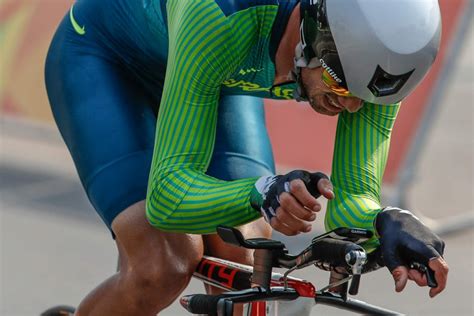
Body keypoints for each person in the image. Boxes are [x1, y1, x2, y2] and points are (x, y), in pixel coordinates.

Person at [44, 0, 449, 315]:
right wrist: (263, 192)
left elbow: (351, 200)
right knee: (162, 265)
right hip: (109, 59)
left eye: (371, 98)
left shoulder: (377, 70)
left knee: (247, 259)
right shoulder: (224, 16)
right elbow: (168, 197)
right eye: (339, 85)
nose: (353, 109)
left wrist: (385, 224)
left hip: (211, 76)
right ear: (315, 32)